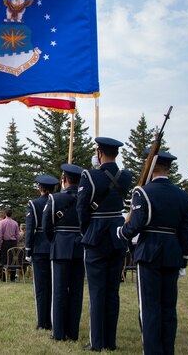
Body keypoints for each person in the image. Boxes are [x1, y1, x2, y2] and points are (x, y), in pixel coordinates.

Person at [116, 150, 188, 355]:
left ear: (151, 167)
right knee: (168, 308)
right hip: (172, 253)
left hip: (149, 252)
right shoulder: (182, 195)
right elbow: (185, 231)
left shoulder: (143, 192)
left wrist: (121, 231)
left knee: (149, 307)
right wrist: (183, 260)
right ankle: (167, 350)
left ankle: (151, 350)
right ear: (168, 168)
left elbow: (137, 224)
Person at [77, 137, 132, 351]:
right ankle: (110, 340)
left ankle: (97, 342)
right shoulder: (125, 176)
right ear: (116, 154)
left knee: (97, 291)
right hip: (117, 236)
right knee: (112, 291)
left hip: (96, 235)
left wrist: (86, 232)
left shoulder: (89, 176)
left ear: (99, 153)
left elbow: (82, 209)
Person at [42, 164, 84, 341]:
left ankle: (58, 332)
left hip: (60, 247)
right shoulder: (86, 198)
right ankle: (73, 332)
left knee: (58, 292)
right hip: (80, 247)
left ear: (64, 180)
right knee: (76, 292)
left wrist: (55, 241)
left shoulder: (54, 199)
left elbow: (47, 226)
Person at [25, 174, 59, 329]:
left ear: (40, 188)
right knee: (54, 286)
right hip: (55, 247)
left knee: (41, 287)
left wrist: (28, 250)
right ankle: (53, 320)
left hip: (39, 248)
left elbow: (30, 229)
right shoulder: (58, 202)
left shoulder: (33, 204)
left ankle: (42, 322)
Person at [0, 208, 19, 282]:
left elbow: (0, 235)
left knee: (4, 259)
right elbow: (17, 235)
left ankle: (3, 277)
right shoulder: (15, 223)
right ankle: (12, 277)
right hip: (13, 242)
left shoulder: (2, 223)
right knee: (13, 259)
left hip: (5, 242)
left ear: (5, 214)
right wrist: (17, 244)